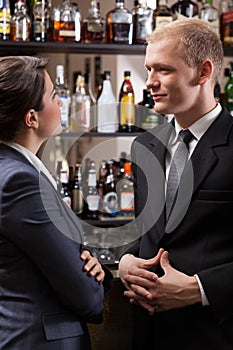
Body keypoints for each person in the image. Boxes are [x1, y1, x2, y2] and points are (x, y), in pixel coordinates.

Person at [119, 18, 233, 350]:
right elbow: (145, 231)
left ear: (203, 72)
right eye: (148, 69)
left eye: (163, 70)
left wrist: (199, 288)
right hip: (150, 334)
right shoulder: (145, 146)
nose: (149, 82)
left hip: (216, 335)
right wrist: (127, 259)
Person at [0, 56, 112, 350]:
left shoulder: (11, 169)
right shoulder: (20, 182)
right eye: (53, 96)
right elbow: (84, 296)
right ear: (32, 118)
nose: (61, 102)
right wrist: (98, 281)